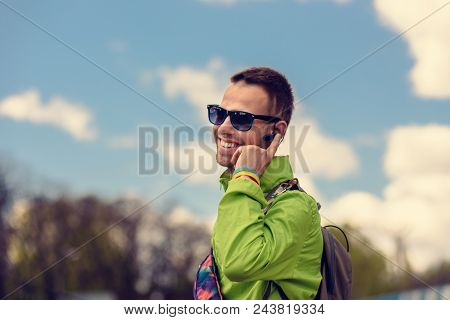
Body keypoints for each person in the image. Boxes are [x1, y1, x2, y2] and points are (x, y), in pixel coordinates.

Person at [208, 66, 323, 299]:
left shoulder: (296, 206)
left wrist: (246, 176)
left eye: (241, 119)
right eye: (219, 114)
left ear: (276, 131)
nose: (223, 128)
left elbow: (240, 263)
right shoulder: (242, 195)